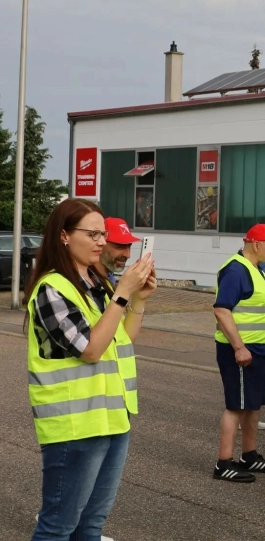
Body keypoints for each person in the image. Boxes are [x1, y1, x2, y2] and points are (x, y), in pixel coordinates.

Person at [27, 198, 155, 541]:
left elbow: (122, 339)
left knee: (91, 528)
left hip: (112, 419)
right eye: (93, 233)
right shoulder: (52, 289)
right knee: (57, 528)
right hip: (74, 428)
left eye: (103, 234)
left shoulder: (98, 284)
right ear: (65, 236)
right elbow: (91, 349)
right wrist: (122, 296)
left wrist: (137, 299)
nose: (102, 241)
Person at [212, 224, 265, 482]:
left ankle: (249, 455)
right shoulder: (236, 269)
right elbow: (222, 310)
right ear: (255, 243)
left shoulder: (263, 268)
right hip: (242, 350)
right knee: (236, 406)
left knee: (252, 405)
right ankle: (224, 462)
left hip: (262, 348)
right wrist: (239, 347)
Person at [96, 217, 140, 285]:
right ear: (100, 244)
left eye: (129, 246)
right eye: (120, 247)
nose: (128, 255)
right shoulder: (87, 282)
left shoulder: (110, 277)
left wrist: (138, 295)